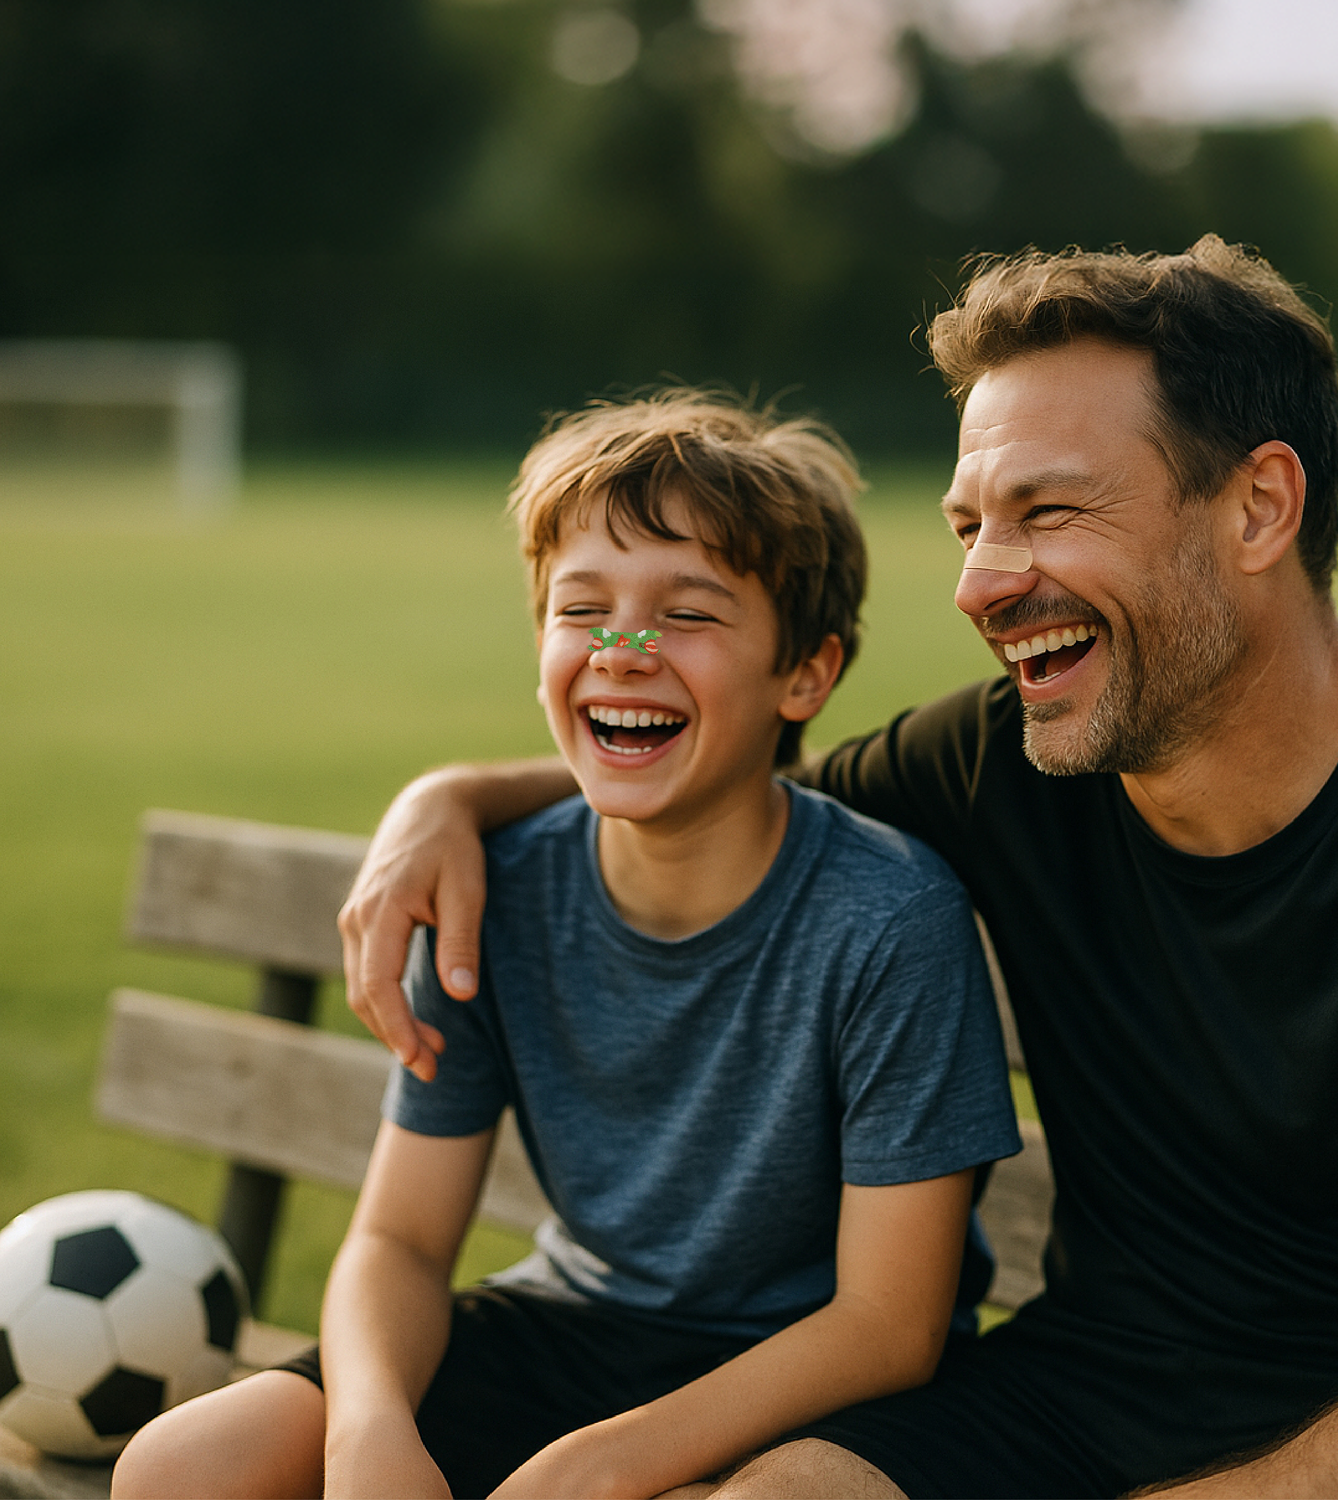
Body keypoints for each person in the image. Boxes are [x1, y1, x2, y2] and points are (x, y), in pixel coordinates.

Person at [338, 236, 1338, 1500]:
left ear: (1258, 507)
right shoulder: (1000, 758)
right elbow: (719, 782)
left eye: (1049, 512)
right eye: (971, 524)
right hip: (1077, 1389)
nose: (981, 584)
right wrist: (448, 801)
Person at [111, 391, 1020, 1500]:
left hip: (812, 1377)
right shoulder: (490, 891)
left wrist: (603, 1462)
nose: (624, 651)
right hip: (572, 1330)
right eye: (582, 609)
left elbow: (888, 1325)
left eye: (687, 615)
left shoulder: (890, 921)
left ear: (807, 675)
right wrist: (369, 1434)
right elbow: (397, 1242)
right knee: (183, 1468)